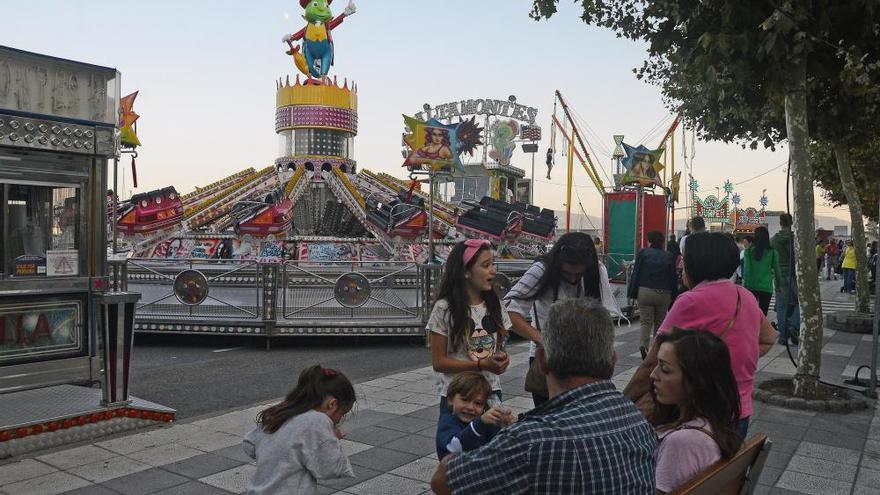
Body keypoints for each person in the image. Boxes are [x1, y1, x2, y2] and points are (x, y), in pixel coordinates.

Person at [431, 298, 656, 495]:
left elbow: (442, 483)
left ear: (542, 360)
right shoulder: (638, 419)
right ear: (613, 360)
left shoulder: (532, 441)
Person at [625, 232, 777, 439]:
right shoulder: (746, 296)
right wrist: (726, 361)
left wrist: (622, 404)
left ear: (695, 264)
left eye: (684, 260)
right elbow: (769, 338)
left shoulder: (690, 301)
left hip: (698, 415)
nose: (681, 267)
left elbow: (652, 363)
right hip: (739, 412)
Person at [504, 232, 622, 407]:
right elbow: (509, 312)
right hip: (550, 357)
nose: (573, 279)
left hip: (586, 360)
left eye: (579, 274)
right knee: (549, 416)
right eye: (567, 273)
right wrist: (544, 340)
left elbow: (600, 314)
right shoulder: (541, 270)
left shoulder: (597, 270)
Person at [651, 329, 743, 494]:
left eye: (665, 369)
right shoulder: (715, 423)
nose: (653, 375)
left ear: (696, 381)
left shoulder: (683, 442)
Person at [428, 239, 512, 415]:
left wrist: (502, 359)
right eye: (486, 265)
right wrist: (481, 365)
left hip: (490, 393)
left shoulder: (496, 304)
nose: (493, 270)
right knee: (455, 442)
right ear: (466, 271)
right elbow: (439, 362)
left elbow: (498, 349)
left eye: (493, 264)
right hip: (458, 396)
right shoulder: (444, 308)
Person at [244, 365, 355, 494]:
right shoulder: (317, 420)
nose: (339, 420)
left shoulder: (281, 413)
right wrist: (332, 439)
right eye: (343, 413)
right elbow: (331, 469)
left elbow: (249, 445)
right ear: (332, 404)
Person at [435, 372, 515, 459]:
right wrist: (480, 423)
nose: (470, 407)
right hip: (457, 470)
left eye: (478, 403)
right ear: (450, 399)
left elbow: (499, 443)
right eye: (465, 400)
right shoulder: (448, 421)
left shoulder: (484, 422)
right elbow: (453, 447)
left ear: (484, 406)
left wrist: (507, 426)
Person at [628, 231, 677, 351]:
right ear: (662, 242)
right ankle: (655, 350)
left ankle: (643, 346)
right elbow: (673, 279)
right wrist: (674, 298)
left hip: (645, 291)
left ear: (649, 241)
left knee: (645, 321)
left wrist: (632, 292)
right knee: (660, 323)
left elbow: (636, 273)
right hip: (663, 293)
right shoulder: (669, 256)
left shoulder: (643, 253)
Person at [770, 213, 800, 345]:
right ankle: (794, 324)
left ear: (780, 223)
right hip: (794, 275)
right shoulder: (796, 239)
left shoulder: (773, 240)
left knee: (781, 307)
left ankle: (783, 337)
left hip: (779, 275)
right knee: (800, 302)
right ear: (792, 223)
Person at [742, 226, 782, 315]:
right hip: (766, 287)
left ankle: (753, 328)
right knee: (763, 315)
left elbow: (747, 270)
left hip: (751, 286)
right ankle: (761, 328)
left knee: (751, 313)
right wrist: (779, 285)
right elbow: (777, 270)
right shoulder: (772, 252)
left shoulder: (748, 252)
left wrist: (746, 285)